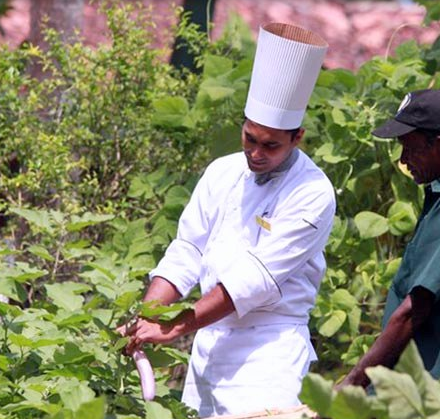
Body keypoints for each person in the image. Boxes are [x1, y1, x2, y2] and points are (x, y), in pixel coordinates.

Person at [121, 23, 336, 417]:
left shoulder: (313, 192)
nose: (256, 153)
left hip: (268, 356)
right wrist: (149, 317)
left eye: (270, 145)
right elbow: (187, 250)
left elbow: (253, 281)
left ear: (298, 137)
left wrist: (176, 325)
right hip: (209, 349)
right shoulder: (222, 172)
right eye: (249, 138)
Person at [339, 89, 440, 396]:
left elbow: (413, 311)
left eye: (410, 150)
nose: (404, 160)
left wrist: (352, 384)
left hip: (428, 397)